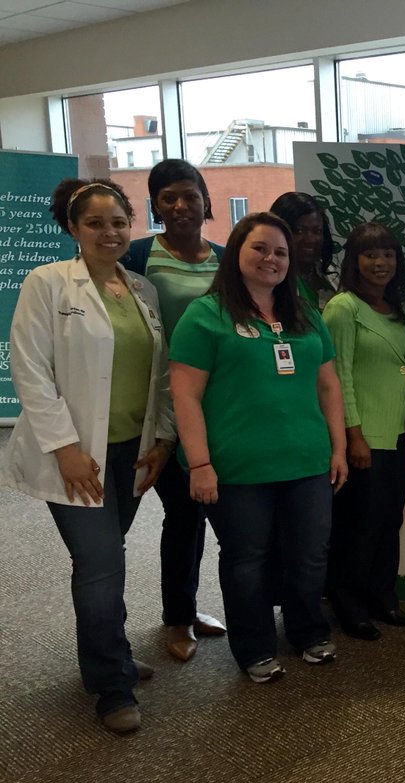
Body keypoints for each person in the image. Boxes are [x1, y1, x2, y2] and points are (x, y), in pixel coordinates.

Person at [0, 179, 173, 733]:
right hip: (77, 456)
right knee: (100, 566)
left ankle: (109, 655)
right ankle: (112, 685)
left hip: (132, 450)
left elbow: (161, 375)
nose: (110, 232)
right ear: (73, 229)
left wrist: (163, 440)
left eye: (119, 222)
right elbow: (28, 369)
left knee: (110, 556)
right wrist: (66, 449)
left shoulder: (142, 289)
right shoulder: (48, 283)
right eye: (95, 223)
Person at [169, 211, 349, 682]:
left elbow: (329, 386)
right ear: (237, 253)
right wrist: (200, 464)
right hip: (236, 467)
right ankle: (253, 649)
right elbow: (184, 393)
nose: (271, 258)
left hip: (307, 460)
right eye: (260, 248)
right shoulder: (205, 315)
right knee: (247, 561)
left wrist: (338, 449)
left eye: (281, 252)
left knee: (310, 556)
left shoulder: (305, 315)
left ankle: (308, 633)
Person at [121, 158, 227, 662]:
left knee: (202, 514)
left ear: (206, 199)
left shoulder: (226, 260)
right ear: (156, 205)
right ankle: (177, 618)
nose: (181, 206)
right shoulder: (138, 256)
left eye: (190, 195)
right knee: (177, 516)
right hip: (153, 412)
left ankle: (188, 608)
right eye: (168, 198)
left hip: (214, 411)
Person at [323, 223, 405, 639]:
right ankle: (349, 605)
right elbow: (338, 377)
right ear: (354, 261)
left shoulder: (396, 307)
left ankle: (383, 596)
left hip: (399, 435)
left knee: (389, 520)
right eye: (370, 255)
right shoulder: (343, 308)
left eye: (388, 254)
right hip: (364, 437)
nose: (380, 262)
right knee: (359, 525)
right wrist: (353, 437)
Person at [269, 192, 336, 308]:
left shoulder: (329, 273)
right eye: (299, 231)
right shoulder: (273, 280)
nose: (309, 239)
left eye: (317, 231)